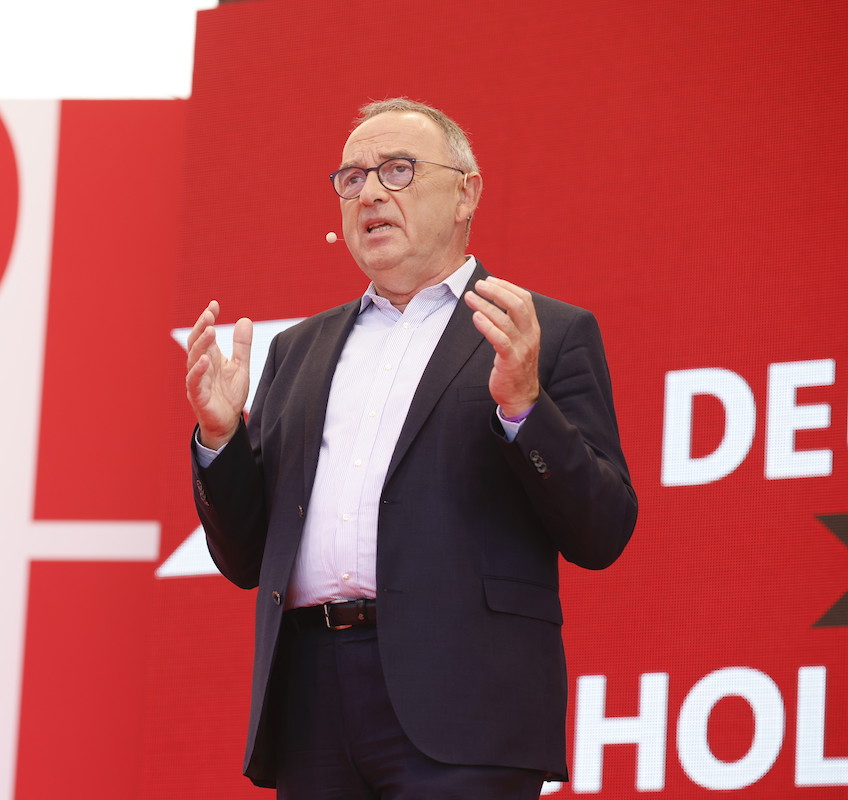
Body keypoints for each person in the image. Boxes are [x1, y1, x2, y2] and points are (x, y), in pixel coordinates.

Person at [184, 98, 637, 799]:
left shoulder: (538, 331)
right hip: (310, 704)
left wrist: (524, 408)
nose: (368, 193)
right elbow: (245, 558)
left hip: (467, 706)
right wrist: (221, 439)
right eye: (352, 178)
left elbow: (602, 530)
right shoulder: (298, 351)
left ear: (466, 193)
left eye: (397, 170)